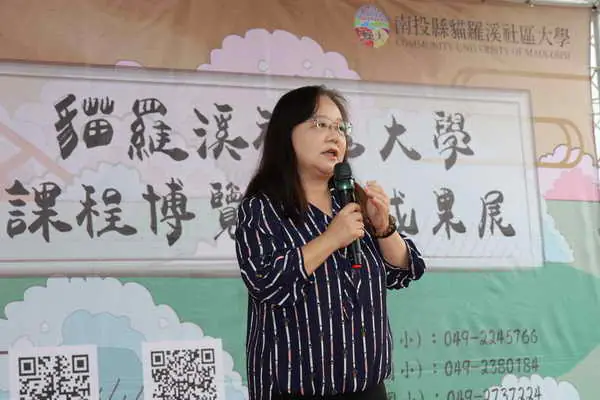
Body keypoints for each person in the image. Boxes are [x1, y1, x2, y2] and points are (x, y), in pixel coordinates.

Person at [234, 85, 426, 400]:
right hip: (294, 388)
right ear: (287, 133)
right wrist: (332, 239)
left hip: (366, 387)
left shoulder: (352, 201)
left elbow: (404, 271)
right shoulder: (263, 207)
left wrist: (383, 227)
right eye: (320, 124)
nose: (334, 136)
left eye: (340, 128)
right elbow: (266, 282)